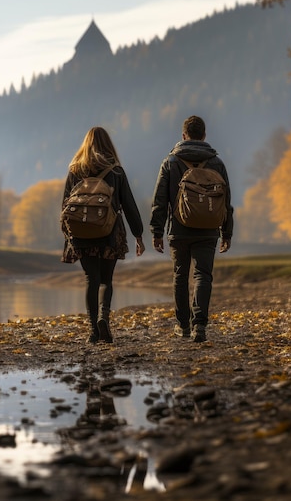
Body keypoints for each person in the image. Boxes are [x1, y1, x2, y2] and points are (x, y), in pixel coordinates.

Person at [150, 115, 233, 343]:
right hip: (208, 229)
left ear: (183, 135)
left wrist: (156, 232)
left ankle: (183, 326)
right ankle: (200, 326)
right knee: (203, 275)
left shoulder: (171, 161)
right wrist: (227, 232)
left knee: (180, 275)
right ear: (204, 136)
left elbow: (160, 200)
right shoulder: (217, 163)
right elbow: (226, 202)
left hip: (179, 229)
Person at [61, 126, 145, 344]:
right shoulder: (116, 171)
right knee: (106, 279)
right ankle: (103, 318)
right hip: (110, 232)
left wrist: (68, 236)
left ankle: (92, 331)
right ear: (108, 145)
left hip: (81, 234)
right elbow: (128, 205)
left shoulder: (75, 170)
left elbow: (65, 206)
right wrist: (139, 234)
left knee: (91, 279)